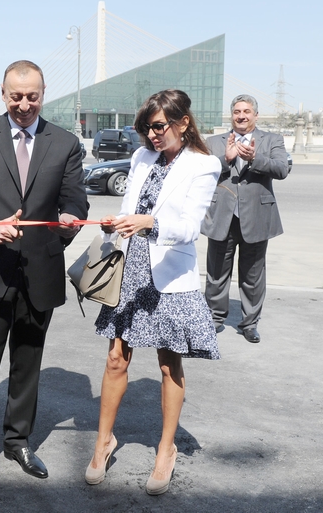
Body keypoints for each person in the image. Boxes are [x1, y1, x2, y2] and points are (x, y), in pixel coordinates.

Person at [0, 60, 88, 511]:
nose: (24, 105)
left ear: (43, 93)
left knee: (27, 368)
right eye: (15, 96)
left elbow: (74, 200)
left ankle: (17, 441)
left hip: (38, 275)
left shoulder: (64, 143)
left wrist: (69, 223)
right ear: (2, 94)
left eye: (32, 96)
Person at [85, 89, 220, 496]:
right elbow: (131, 204)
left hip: (169, 272)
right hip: (130, 267)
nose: (152, 135)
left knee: (167, 365)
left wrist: (148, 224)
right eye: (146, 127)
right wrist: (118, 222)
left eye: (159, 126)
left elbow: (190, 227)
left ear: (183, 122)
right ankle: (102, 442)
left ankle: (166, 449)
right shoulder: (143, 157)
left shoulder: (204, 164)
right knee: (114, 359)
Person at [201, 94, 289, 343]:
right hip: (222, 217)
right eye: (237, 111)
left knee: (253, 275)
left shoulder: (272, 140)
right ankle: (214, 319)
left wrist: (254, 159)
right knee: (216, 273)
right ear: (232, 115)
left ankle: (250, 323)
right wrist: (226, 160)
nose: (242, 116)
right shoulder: (213, 142)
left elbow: (282, 169)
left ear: (255, 115)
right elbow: (201, 172)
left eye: (247, 111)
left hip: (257, 217)